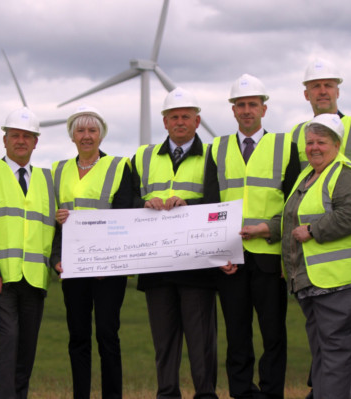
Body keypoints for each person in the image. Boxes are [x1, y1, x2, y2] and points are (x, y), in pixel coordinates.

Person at [248, 114, 351, 399]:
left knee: (333, 346)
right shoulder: (308, 176)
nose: (314, 147)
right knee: (321, 345)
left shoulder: (347, 174)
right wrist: (265, 229)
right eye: (309, 142)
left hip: (340, 279)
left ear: (337, 144)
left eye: (321, 142)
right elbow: (291, 218)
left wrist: (315, 230)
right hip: (311, 278)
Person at [288, 58, 351, 399]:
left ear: (338, 90)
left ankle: (347, 390)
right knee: (325, 340)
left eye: (328, 84)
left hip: (344, 264)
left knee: (342, 337)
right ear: (306, 93)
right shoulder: (300, 138)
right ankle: (327, 391)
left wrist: (314, 231)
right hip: (313, 268)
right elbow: (294, 200)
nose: (323, 90)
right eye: (316, 85)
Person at [212, 74, 300, 399]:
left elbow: (294, 204)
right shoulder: (217, 149)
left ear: (264, 108)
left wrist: (281, 247)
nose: (247, 110)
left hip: (270, 255)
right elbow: (211, 204)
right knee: (237, 333)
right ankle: (242, 392)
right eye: (241, 105)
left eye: (252, 104)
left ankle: (272, 392)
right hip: (231, 257)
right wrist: (219, 252)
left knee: (273, 333)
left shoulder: (285, 147)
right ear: (233, 110)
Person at [131, 87, 219, 399]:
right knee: (164, 341)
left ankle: (205, 394)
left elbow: (216, 202)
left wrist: (189, 206)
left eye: (186, 117)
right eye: (173, 117)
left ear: (197, 122)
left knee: (200, 340)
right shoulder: (142, 157)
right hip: (156, 265)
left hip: (196, 264)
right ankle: (166, 393)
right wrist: (144, 204)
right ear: (164, 123)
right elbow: (127, 200)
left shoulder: (212, 156)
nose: (179, 122)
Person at [51, 105, 133, 399]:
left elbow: (125, 218)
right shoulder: (58, 170)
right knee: (78, 337)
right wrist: (56, 258)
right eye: (81, 131)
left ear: (101, 135)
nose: (87, 136)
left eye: (92, 130)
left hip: (108, 270)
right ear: (72, 136)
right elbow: (51, 222)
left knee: (107, 335)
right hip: (73, 267)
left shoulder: (120, 167)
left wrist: (106, 262)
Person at [0, 107, 56, 399]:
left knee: (27, 346)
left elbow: (57, 226)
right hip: (1, 276)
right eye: (15, 135)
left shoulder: (48, 180)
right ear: (4, 139)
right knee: (8, 338)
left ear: (36, 142)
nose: (20, 141)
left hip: (35, 279)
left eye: (27, 136)